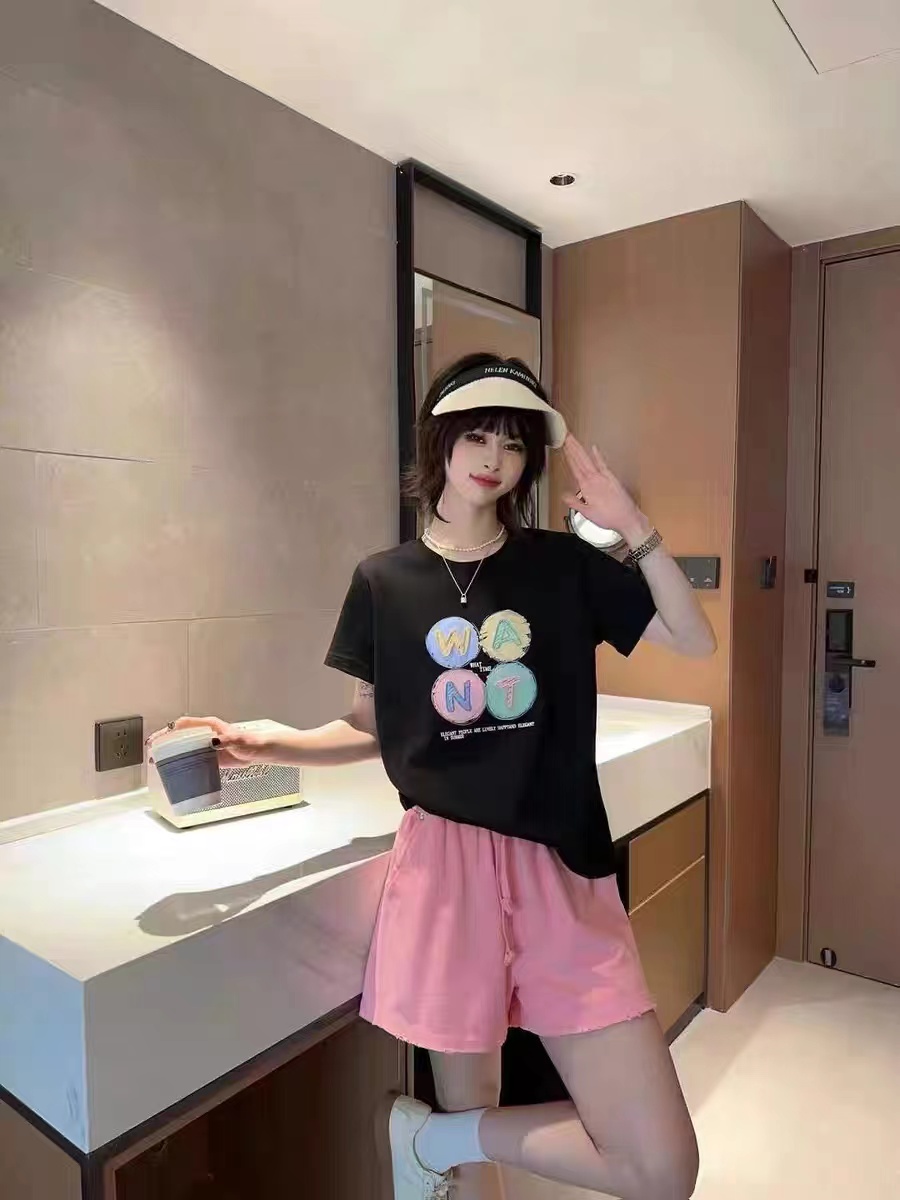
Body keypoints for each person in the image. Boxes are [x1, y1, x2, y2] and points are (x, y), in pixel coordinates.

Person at [149, 353, 716, 1200]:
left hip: (561, 864)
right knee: (471, 1120)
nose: (495, 457)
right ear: (440, 439)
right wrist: (262, 742)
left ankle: (427, 1138)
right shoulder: (384, 581)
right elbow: (370, 726)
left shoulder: (562, 566)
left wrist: (632, 523)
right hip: (447, 871)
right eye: (478, 435)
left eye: (514, 443)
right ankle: (443, 1141)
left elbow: (693, 637)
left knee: (663, 1167)